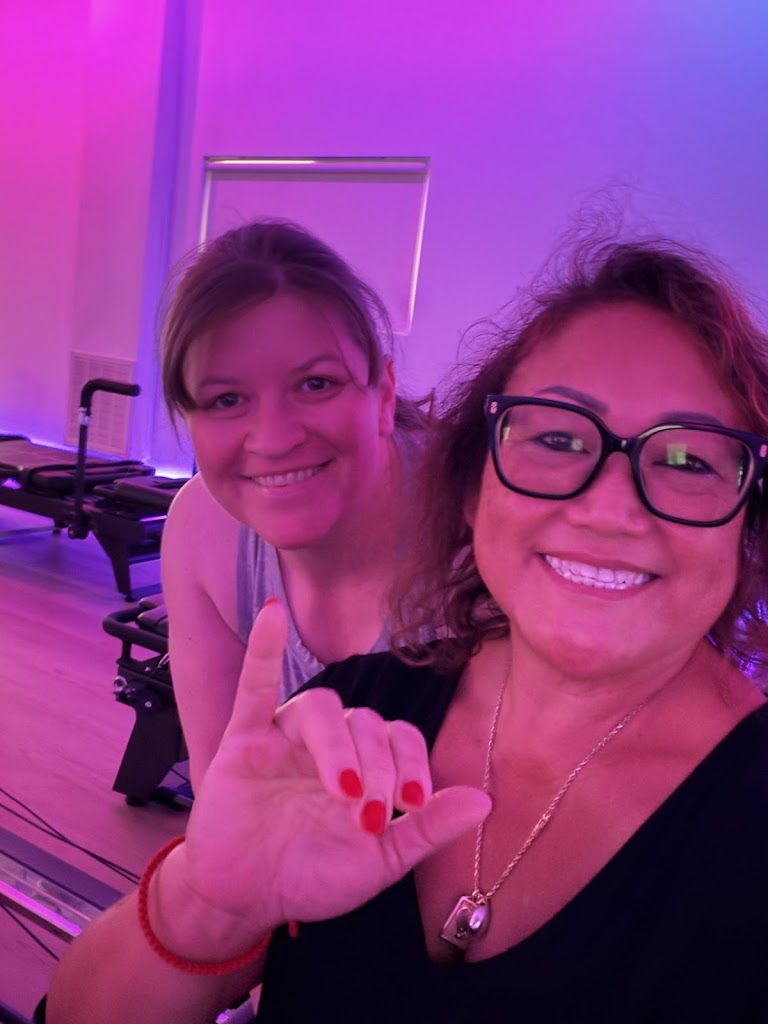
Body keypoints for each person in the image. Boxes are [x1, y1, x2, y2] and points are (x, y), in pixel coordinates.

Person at [45, 236, 768, 1023]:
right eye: (558, 438)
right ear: (473, 488)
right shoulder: (354, 708)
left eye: (689, 461)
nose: (609, 508)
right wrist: (207, 902)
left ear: (749, 520)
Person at [157, 219, 426, 792]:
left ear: (383, 395)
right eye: (227, 399)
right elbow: (222, 798)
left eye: (316, 384)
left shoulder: (481, 523)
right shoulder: (203, 531)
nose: (274, 439)